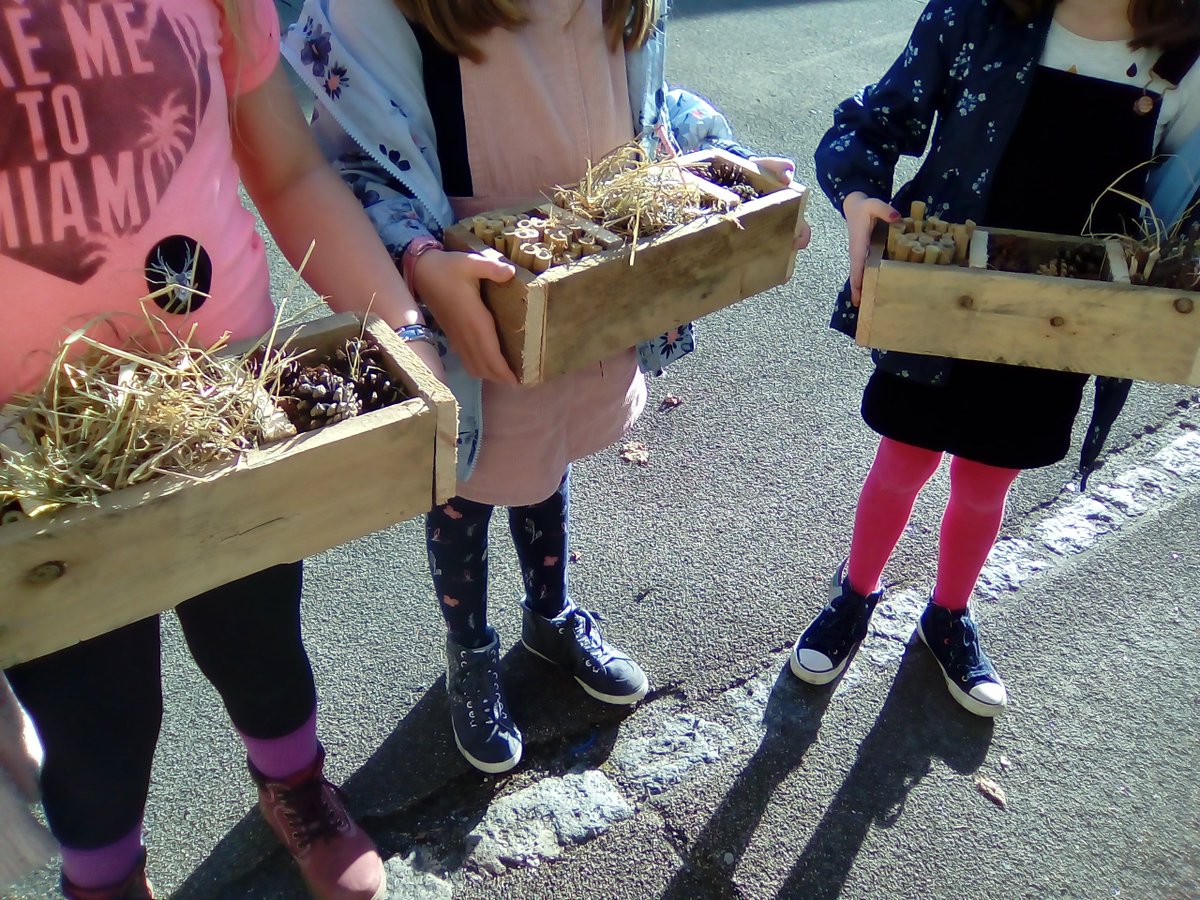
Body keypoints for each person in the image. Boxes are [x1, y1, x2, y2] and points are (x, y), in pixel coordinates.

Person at [282, 0, 806, 774]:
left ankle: (550, 615)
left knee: (546, 454)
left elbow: (652, 105)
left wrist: (725, 163)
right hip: (477, 290)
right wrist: (419, 258)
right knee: (466, 484)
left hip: (593, 284)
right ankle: (470, 649)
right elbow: (347, 159)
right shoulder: (399, 12)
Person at [1, 0, 447, 896]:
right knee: (92, 722)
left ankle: (295, 786)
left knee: (259, 641)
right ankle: (104, 877)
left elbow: (288, 168)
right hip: (36, 460)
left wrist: (402, 328)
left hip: (229, 409)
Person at [790, 0, 1200, 717]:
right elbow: (875, 120)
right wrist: (859, 197)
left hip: (1061, 319)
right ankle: (856, 592)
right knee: (903, 459)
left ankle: (949, 612)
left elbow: (1180, 199)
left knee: (987, 478)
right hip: (942, 290)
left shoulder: (1184, 53)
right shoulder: (977, 14)